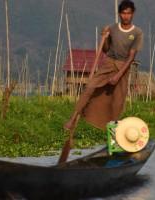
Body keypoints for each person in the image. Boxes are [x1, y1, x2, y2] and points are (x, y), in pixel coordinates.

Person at [64, 0, 143, 131]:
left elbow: (131, 57)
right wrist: (105, 37)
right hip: (109, 63)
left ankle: (113, 133)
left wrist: (118, 76)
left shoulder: (137, 33)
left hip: (123, 67)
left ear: (133, 14)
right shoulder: (112, 28)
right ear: (119, 14)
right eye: (123, 13)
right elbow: (106, 49)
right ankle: (72, 120)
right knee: (89, 87)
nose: (126, 16)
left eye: (128, 13)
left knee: (117, 102)